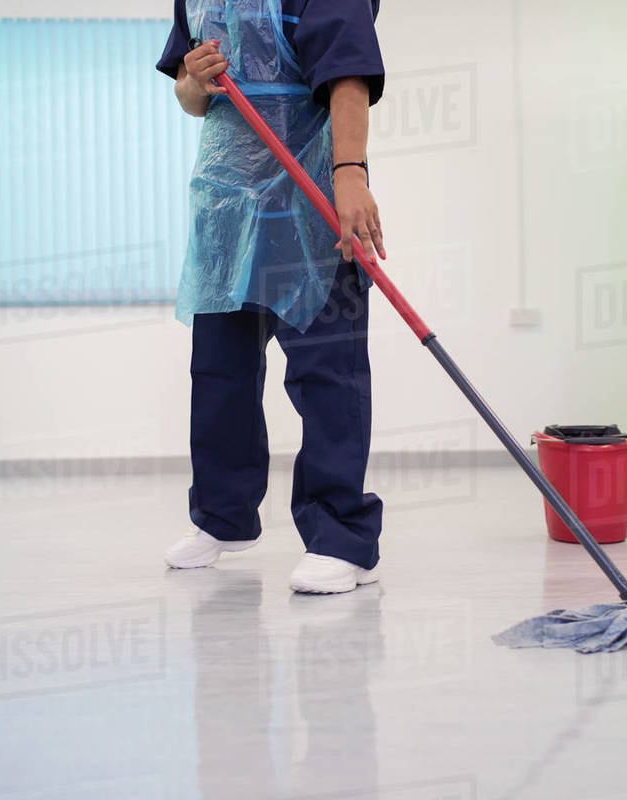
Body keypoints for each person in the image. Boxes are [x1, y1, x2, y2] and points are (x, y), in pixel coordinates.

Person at [156, 0, 388, 594]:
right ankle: (222, 516)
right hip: (228, 205)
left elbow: (349, 76)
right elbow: (189, 95)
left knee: (327, 375)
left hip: (308, 198)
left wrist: (350, 175)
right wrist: (195, 80)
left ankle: (342, 539)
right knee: (220, 372)